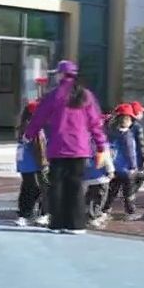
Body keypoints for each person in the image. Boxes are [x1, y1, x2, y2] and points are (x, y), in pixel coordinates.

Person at [22, 62, 108, 234]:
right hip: (80, 148)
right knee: (76, 186)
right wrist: (101, 145)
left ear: (61, 75)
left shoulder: (54, 95)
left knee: (57, 186)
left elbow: (38, 118)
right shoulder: (86, 95)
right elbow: (95, 123)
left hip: (58, 147)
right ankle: (76, 225)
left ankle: (57, 223)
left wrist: (28, 135)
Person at [15, 100, 48, 227]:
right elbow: (40, 149)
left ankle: (24, 214)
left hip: (25, 165)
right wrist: (44, 163)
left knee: (27, 188)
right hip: (34, 164)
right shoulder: (35, 128)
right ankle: (36, 214)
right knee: (39, 188)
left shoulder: (23, 126)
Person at [105, 104, 140, 218]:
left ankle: (105, 209)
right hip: (126, 170)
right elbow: (131, 153)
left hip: (114, 167)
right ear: (128, 120)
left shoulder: (111, 133)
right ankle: (130, 212)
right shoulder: (127, 135)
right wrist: (133, 166)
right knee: (128, 193)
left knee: (112, 191)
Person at [83, 130, 113, 228]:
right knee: (99, 198)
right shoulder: (101, 142)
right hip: (101, 177)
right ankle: (94, 217)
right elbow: (106, 158)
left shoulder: (84, 140)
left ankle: (88, 215)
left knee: (89, 197)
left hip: (87, 175)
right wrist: (111, 171)